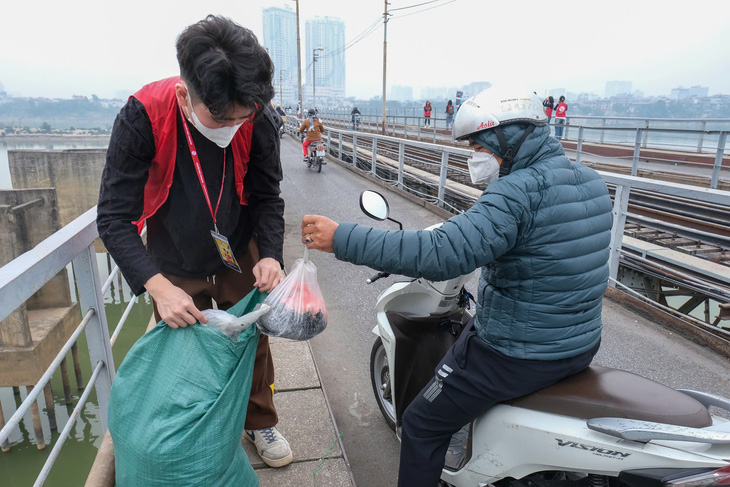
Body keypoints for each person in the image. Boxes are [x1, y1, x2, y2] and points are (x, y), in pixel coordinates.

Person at [299, 88, 613, 486]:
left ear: (508, 141)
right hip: (579, 344)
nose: (473, 157)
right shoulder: (590, 180)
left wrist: (342, 237)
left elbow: (443, 252)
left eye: (478, 147)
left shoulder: (517, 192)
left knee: (420, 424)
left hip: (518, 354)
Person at [96, 15, 293, 468]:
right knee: (186, 345)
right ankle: (201, 428)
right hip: (174, 258)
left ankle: (258, 419)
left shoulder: (255, 115)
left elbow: (267, 195)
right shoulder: (143, 116)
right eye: (222, 119)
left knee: (252, 339)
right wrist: (157, 286)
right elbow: (113, 218)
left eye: (244, 117)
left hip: (236, 247)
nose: (234, 127)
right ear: (186, 95)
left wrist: (270, 255)